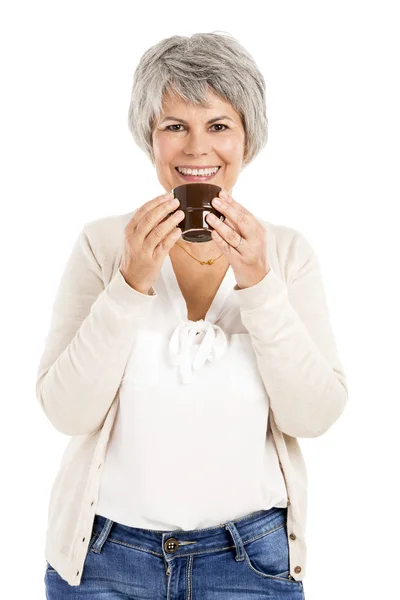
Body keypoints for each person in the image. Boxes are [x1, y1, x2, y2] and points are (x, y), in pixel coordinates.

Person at [37, 32, 348, 598]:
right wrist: (130, 282)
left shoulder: (285, 253)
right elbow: (65, 409)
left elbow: (314, 414)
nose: (196, 148)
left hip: (249, 563)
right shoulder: (105, 245)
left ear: (248, 138)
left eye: (219, 125)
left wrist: (259, 282)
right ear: (149, 139)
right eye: (174, 125)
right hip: (106, 561)